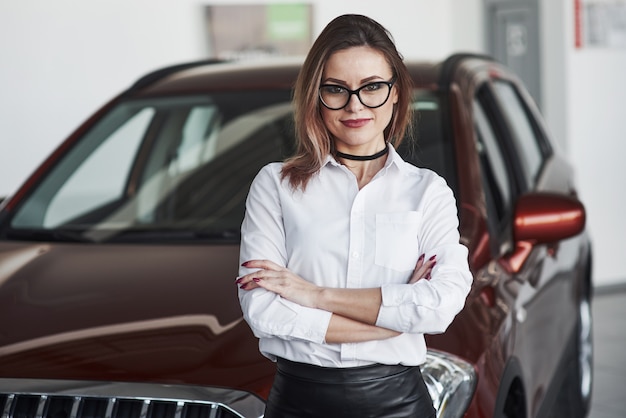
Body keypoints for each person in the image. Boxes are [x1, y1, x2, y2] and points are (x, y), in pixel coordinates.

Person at [236, 14, 472, 417]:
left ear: (395, 92)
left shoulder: (428, 192)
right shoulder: (275, 185)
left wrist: (313, 295)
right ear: (316, 95)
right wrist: (394, 324)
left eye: (372, 87)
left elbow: (438, 307)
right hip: (298, 403)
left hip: (398, 402)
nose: (355, 105)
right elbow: (264, 310)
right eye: (336, 90)